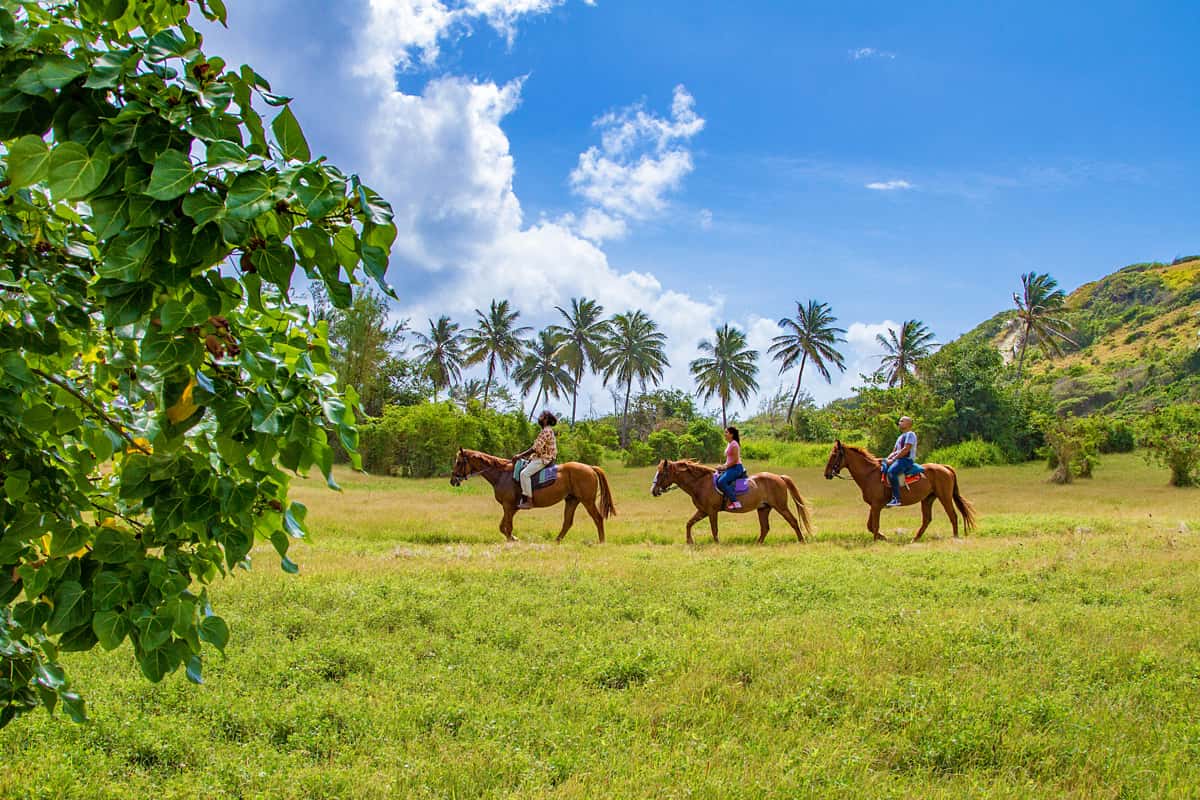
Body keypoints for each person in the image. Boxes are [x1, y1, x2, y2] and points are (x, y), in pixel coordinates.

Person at [514, 411, 558, 509]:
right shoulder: (547, 430)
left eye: (542, 417)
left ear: (546, 420)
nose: (540, 418)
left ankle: (529, 501)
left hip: (544, 458)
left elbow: (535, 448)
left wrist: (520, 455)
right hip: (540, 457)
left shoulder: (546, 431)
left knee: (524, 474)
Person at [883, 416, 918, 508]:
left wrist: (893, 460)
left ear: (908, 424)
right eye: (899, 421)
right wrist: (888, 458)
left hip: (906, 460)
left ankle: (896, 499)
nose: (899, 423)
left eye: (902, 421)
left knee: (892, 472)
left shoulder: (910, 434)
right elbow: (894, 451)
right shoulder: (900, 437)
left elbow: (906, 449)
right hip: (898, 459)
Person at [715, 426, 747, 510]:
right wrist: (722, 466)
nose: (724, 434)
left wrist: (724, 467)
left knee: (721, 482)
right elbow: (729, 459)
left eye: (726, 432)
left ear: (731, 434)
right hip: (730, 467)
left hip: (736, 468)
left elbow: (735, 460)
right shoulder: (729, 443)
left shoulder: (734, 444)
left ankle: (735, 502)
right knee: (716, 478)